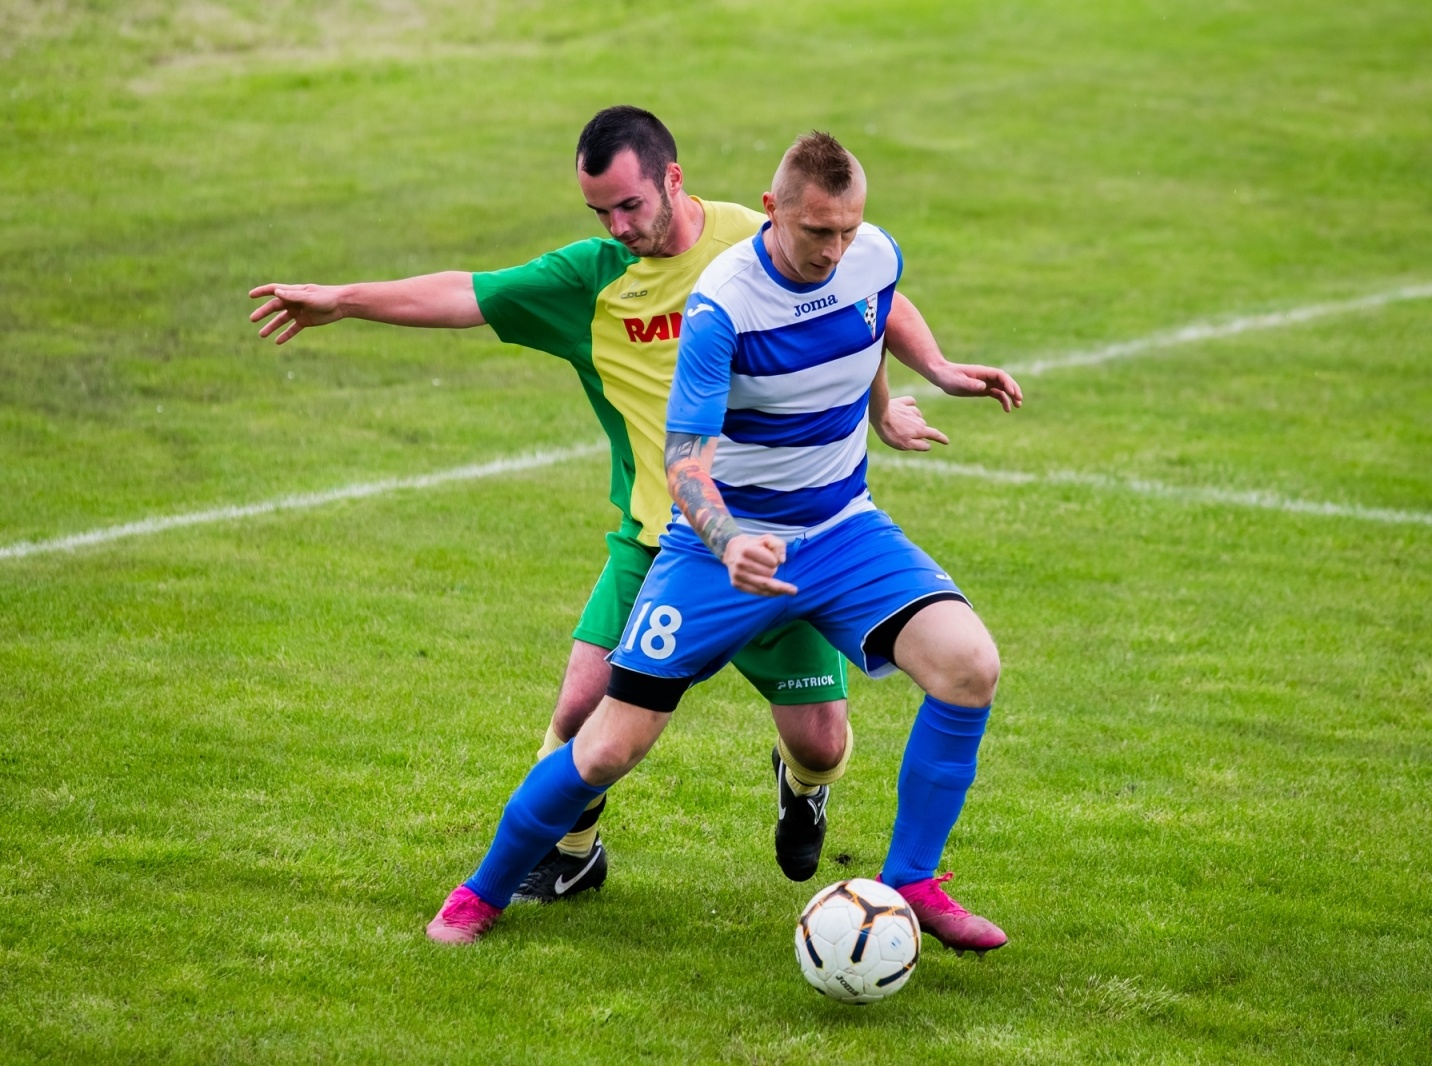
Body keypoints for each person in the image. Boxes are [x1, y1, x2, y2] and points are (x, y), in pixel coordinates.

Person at [249, 106, 1006, 901]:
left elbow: (864, 299)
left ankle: (804, 784)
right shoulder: (593, 278)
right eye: (599, 212)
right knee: (584, 710)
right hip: (665, 538)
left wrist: (892, 397)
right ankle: (568, 855)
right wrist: (342, 300)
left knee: (821, 741)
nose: (616, 226)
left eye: (629, 206)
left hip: (790, 541)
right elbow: (468, 294)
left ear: (673, 181)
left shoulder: (772, 237)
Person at [426, 130, 1020, 955]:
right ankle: (479, 895)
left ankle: (912, 881)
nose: (835, 249)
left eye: (849, 229)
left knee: (970, 666)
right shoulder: (723, 304)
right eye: (818, 232)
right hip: (717, 553)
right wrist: (730, 538)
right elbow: (686, 465)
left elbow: (877, 307)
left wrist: (934, 372)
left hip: (843, 530)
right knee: (604, 746)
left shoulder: (869, 254)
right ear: (772, 213)